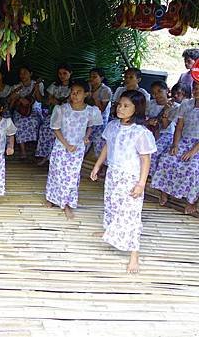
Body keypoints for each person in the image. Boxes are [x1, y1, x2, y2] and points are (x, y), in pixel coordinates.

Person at [90, 90, 156, 274]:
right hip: (113, 174)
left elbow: (145, 159)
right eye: (119, 104)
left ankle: (134, 255)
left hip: (130, 177)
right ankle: (110, 232)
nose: (121, 108)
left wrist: (141, 183)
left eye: (126, 106)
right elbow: (107, 146)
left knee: (131, 214)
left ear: (137, 109)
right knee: (111, 205)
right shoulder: (112, 126)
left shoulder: (140, 132)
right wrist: (97, 166)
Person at [44, 80, 103, 219]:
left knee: (71, 176)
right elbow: (56, 129)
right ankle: (52, 198)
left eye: (78, 92)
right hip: (61, 146)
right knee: (56, 172)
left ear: (86, 94)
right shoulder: (62, 109)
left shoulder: (90, 111)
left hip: (77, 148)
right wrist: (66, 144)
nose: (74, 95)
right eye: (72, 92)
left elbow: (91, 126)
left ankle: (66, 203)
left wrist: (86, 137)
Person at [151, 80, 199, 214]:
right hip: (184, 140)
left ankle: (192, 201)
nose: (196, 91)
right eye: (195, 88)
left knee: (193, 168)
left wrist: (192, 151)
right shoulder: (186, 104)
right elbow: (179, 127)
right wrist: (175, 145)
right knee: (167, 159)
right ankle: (164, 191)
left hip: (197, 145)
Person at [35, 64, 72, 165]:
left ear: (70, 73)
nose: (62, 76)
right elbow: (48, 101)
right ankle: (44, 156)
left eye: (65, 73)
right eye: (60, 73)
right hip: (54, 114)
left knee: (59, 133)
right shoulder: (54, 85)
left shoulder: (74, 87)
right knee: (44, 129)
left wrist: (57, 101)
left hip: (69, 116)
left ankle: (52, 157)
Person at [8, 66, 43, 159]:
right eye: (21, 73)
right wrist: (18, 98)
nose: (22, 75)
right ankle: (23, 150)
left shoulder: (37, 84)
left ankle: (35, 147)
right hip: (20, 110)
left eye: (25, 72)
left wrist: (37, 89)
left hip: (34, 109)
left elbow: (39, 100)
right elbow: (9, 101)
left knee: (35, 121)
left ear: (30, 73)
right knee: (19, 122)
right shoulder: (16, 87)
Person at [146, 81, 179, 176]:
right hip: (149, 132)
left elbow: (165, 126)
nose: (157, 95)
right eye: (154, 93)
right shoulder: (150, 104)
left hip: (166, 134)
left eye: (159, 91)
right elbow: (143, 119)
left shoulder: (175, 107)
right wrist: (149, 122)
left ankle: (150, 175)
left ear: (167, 91)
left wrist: (165, 115)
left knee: (154, 152)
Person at [88, 68, 113, 159]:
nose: (91, 79)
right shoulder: (88, 87)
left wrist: (94, 98)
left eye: (94, 77)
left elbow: (101, 109)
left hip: (100, 120)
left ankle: (100, 163)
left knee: (99, 140)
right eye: (90, 76)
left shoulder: (106, 90)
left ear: (101, 78)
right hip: (87, 117)